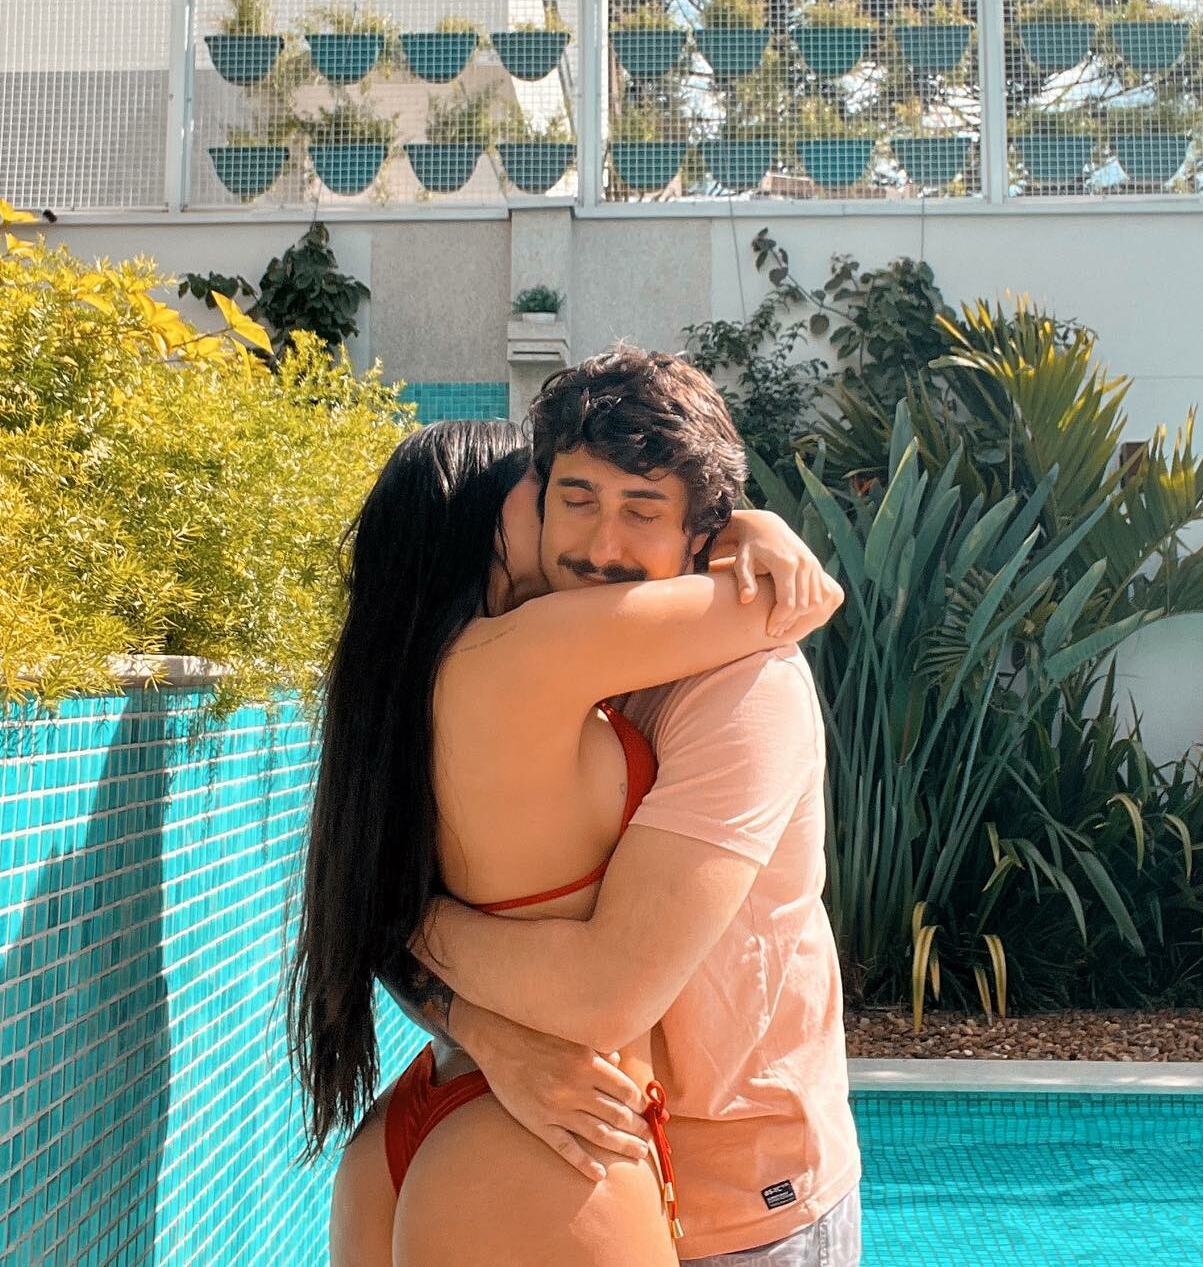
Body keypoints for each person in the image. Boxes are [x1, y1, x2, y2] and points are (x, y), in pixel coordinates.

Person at [334, 347, 865, 1267]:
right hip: (574, 1150)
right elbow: (604, 995)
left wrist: (412, 929)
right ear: (529, 508)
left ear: (699, 534)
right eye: (574, 498)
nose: (600, 548)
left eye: (643, 511)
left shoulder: (742, 688)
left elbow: (588, 979)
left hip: (717, 1179)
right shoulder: (539, 654)